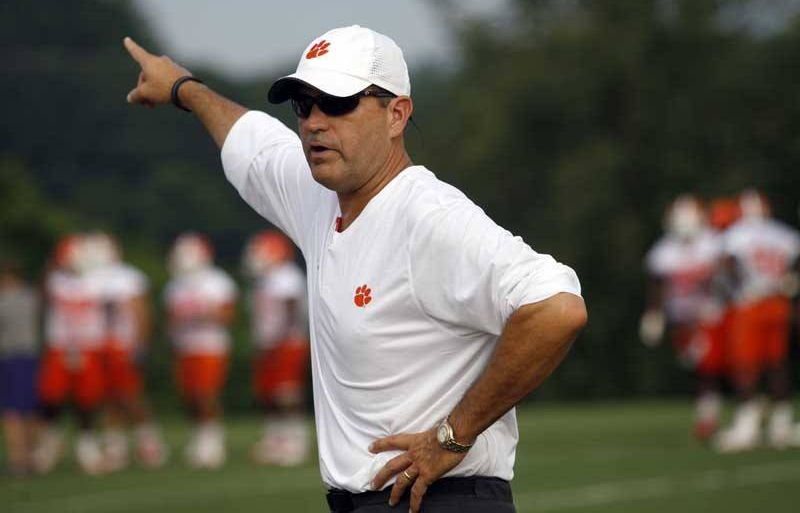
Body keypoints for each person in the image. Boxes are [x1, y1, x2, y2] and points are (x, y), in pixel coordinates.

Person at [123, 25, 586, 513]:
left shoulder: (429, 217)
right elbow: (253, 142)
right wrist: (183, 89)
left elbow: (557, 309)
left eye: (337, 103)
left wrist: (453, 436)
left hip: (438, 499)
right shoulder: (319, 194)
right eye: (303, 105)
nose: (314, 122)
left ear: (396, 114)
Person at [714, 189, 800, 452]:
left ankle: (747, 426)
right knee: (777, 364)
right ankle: (781, 425)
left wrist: (740, 288)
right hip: (778, 303)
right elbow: (793, 266)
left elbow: (728, 265)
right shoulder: (784, 234)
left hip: (750, 304)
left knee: (745, 365)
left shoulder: (737, 234)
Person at [640, 195, 729, 441]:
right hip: (681, 320)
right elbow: (657, 283)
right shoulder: (664, 250)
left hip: (710, 316)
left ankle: (713, 419)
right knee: (696, 369)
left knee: (709, 368)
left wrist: (719, 300)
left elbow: (726, 276)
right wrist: (654, 313)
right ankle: (710, 416)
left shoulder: (712, 243)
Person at [83, 232, 167, 470]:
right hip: (96, 344)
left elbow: (142, 314)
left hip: (122, 344)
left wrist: (141, 344)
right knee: (107, 397)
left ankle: (148, 440)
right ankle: (115, 446)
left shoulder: (127, 277)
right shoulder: (86, 278)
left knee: (130, 395)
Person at [34, 234, 109, 475]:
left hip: (89, 346)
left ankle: (87, 447)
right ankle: (50, 442)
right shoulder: (55, 280)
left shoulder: (99, 280)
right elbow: (42, 296)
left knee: (87, 400)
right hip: (61, 346)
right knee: (51, 397)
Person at [164, 233, 236, 469]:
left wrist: (199, 314)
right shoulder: (175, 286)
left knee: (207, 394)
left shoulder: (217, 282)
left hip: (210, 345)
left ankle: (213, 441)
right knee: (189, 396)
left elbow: (227, 316)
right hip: (185, 346)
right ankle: (199, 437)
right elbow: (171, 319)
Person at [242, 230, 311, 466]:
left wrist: (278, 339)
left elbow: (291, 312)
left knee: (286, 392)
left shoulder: (286, 276)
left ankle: (296, 440)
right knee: (268, 393)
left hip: (286, 342)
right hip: (268, 342)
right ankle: (275, 439)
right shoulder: (266, 279)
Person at [0, 257, 40, 476]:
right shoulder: (32, 297)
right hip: (31, 357)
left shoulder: (4, 300)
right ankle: (32, 457)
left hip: (9, 358)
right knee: (30, 409)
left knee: (11, 412)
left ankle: (18, 460)